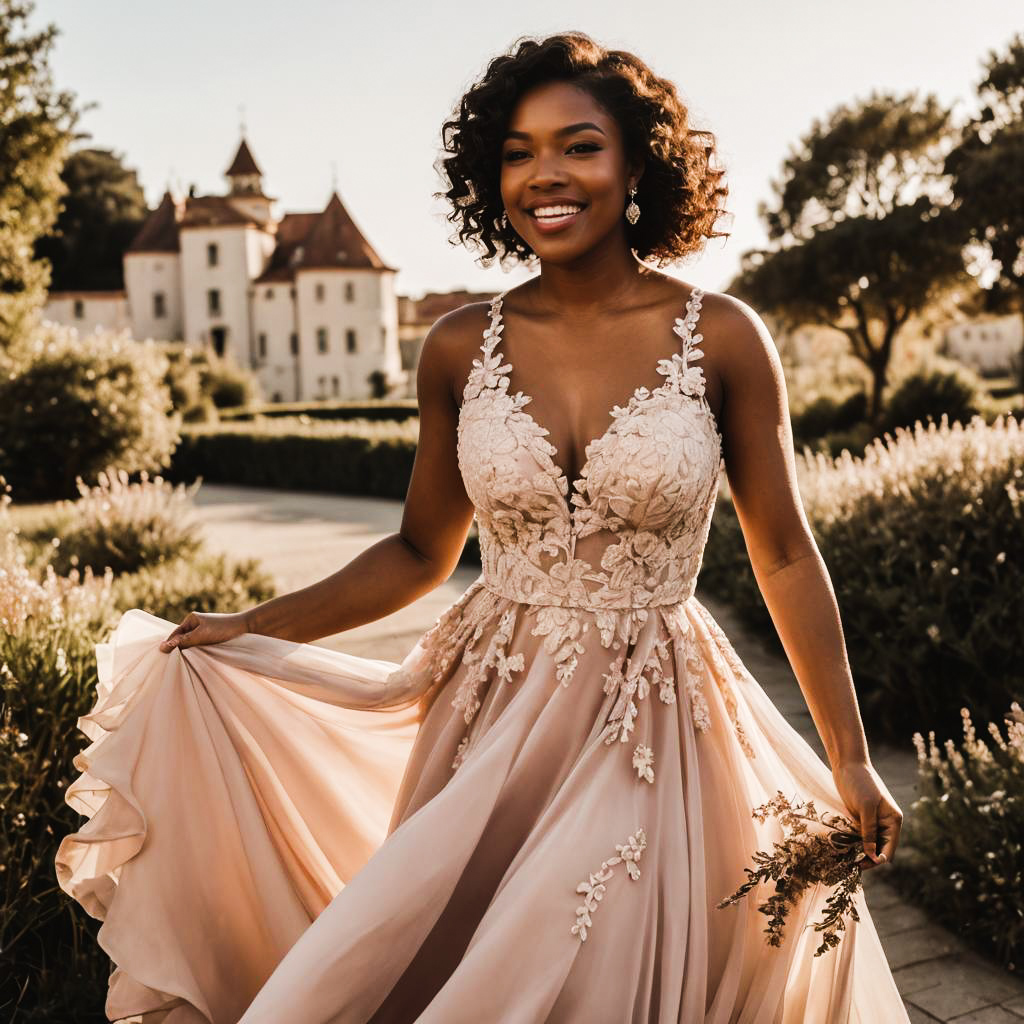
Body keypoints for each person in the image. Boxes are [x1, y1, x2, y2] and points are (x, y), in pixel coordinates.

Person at [56, 30, 910, 1023]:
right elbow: (423, 551)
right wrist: (252, 626)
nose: (543, 174)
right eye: (516, 150)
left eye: (578, 145)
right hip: (487, 714)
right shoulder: (460, 344)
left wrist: (847, 753)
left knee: (592, 950)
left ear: (637, 164)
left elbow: (783, 552)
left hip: (657, 717)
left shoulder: (722, 335)